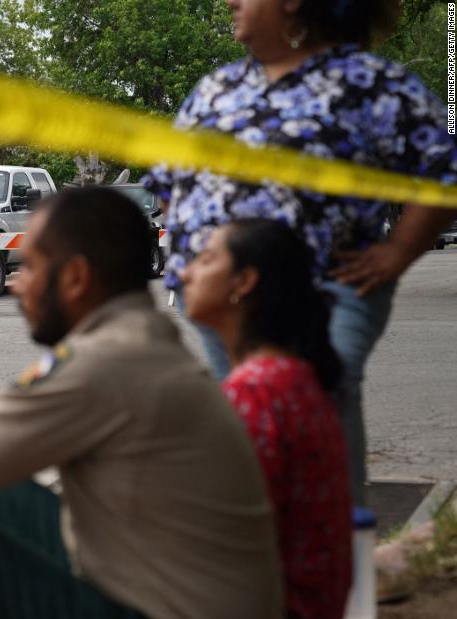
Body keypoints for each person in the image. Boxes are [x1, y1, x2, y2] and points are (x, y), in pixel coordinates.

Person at [0, 187, 282, 619]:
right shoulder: (137, 340)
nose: (18, 285)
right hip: (177, 584)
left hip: (168, 610)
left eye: (31, 266)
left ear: (76, 277)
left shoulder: (108, 361)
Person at [144, 0, 457, 504]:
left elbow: (442, 172)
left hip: (324, 293)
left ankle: (337, 553)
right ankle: (270, 558)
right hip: (222, 302)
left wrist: (398, 251)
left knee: (316, 409)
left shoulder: (370, 84)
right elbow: (164, 181)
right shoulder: (218, 87)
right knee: (249, 430)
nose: (231, 2)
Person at [181, 219, 352, 619]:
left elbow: (220, 535)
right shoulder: (292, 376)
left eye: (205, 260)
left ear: (243, 282)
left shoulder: (257, 391)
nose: (186, 271)